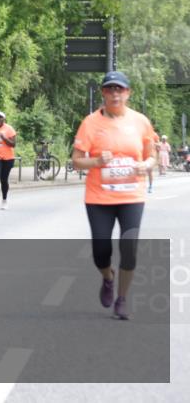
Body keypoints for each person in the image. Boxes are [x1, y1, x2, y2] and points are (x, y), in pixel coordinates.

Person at [71, 71, 155, 321]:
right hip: (99, 197)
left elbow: (150, 155)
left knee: (129, 249)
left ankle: (122, 298)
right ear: (103, 94)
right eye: (110, 89)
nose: (115, 94)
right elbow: (76, 162)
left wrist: (146, 165)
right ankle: (108, 278)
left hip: (132, 195)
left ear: (128, 93)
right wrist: (96, 160)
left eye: (120, 89)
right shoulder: (90, 123)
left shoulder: (141, 122)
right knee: (100, 251)